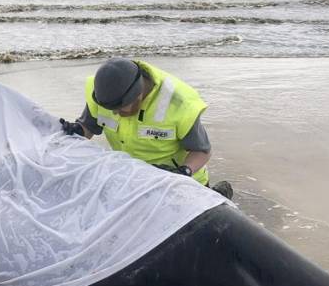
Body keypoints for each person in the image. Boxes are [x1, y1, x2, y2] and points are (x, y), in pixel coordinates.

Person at [60, 58, 232, 199]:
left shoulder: (179, 104)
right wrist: (76, 130)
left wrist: (183, 172)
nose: (115, 113)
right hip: (134, 180)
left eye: (121, 109)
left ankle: (217, 194)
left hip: (181, 182)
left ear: (139, 94)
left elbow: (202, 151)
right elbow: (88, 127)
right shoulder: (105, 93)